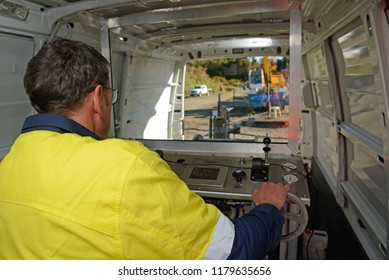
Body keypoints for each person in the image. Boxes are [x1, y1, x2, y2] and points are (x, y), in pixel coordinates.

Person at [0, 38, 289, 260]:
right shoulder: (125, 165)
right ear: (98, 98)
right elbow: (233, 252)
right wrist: (269, 206)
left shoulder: (8, 165)